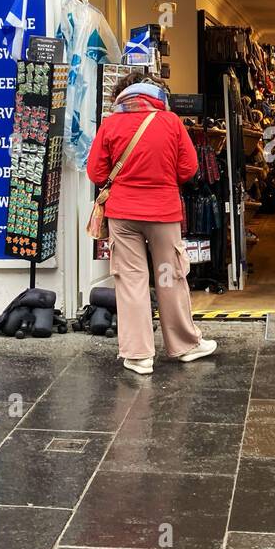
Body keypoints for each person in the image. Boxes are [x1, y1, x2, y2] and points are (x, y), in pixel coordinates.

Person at [86, 72, 217, 374]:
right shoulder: (170, 122)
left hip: (123, 213)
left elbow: (95, 172)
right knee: (170, 277)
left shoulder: (110, 124)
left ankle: (138, 355)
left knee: (131, 280)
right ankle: (184, 345)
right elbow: (189, 168)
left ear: (122, 96)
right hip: (164, 212)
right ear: (155, 95)